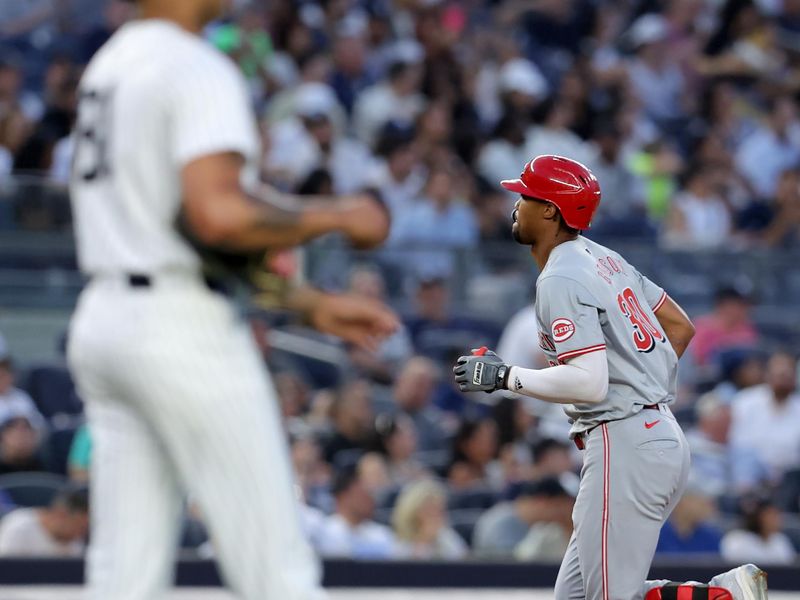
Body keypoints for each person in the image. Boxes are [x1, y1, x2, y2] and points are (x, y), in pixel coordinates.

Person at [66, 1, 399, 599]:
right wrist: (340, 213)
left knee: (124, 580)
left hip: (109, 315)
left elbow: (185, 224)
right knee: (280, 574)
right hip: (177, 329)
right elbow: (217, 215)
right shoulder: (194, 65)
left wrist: (305, 303)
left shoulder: (110, 63)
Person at [453, 155, 766, 599]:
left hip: (625, 441)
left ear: (550, 209)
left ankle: (723, 596)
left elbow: (589, 383)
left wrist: (506, 377)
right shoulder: (605, 259)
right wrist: (640, 385)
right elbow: (679, 327)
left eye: (525, 195)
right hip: (654, 434)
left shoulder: (559, 275)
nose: (516, 205)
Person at [472, 476, 574, 560]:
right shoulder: (503, 522)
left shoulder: (543, 528)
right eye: (559, 505)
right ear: (543, 501)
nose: (565, 511)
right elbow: (509, 568)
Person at [316, 467, 398, 559]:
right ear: (344, 496)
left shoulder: (381, 534)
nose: (370, 499)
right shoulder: (323, 532)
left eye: (370, 494)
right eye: (363, 493)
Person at [0, 484, 89, 557]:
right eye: (80, 526)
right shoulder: (17, 528)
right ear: (61, 515)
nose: (80, 534)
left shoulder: (76, 541)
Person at [391, 479, 467, 560]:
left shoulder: (447, 537)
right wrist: (424, 540)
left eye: (439, 510)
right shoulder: (395, 541)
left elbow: (462, 561)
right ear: (412, 512)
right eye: (429, 510)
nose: (435, 515)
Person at [721, 497, 797, 566]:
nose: (777, 520)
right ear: (757, 517)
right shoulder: (737, 539)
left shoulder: (780, 540)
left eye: (777, 515)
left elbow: (789, 568)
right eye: (771, 515)